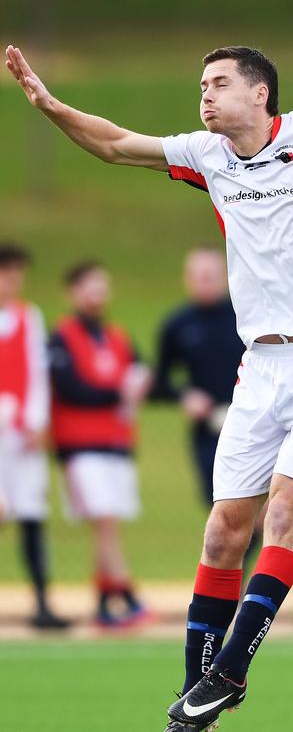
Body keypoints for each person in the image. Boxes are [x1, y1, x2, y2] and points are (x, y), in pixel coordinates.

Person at [5, 42, 293, 730]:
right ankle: (197, 694)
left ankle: (231, 671)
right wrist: (51, 105)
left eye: (218, 82)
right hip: (259, 370)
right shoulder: (206, 154)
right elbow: (116, 146)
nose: (205, 94)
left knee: (284, 515)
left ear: (260, 94)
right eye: (201, 84)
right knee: (223, 531)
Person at [49, 261, 152, 627]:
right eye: (88, 287)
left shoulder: (117, 336)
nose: (96, 294)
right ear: (73, 292)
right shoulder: (62, 337)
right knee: (104, 520)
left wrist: (139, 385)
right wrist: (117, 392)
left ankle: (105, 603)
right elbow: (71, 389)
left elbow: (140, 374)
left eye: (101, 286)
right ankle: (128, 595)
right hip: (80, 445)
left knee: (108, 524)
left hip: (117, 442)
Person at [0, 243, 69, 629]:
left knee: (30, 513)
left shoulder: (29, 317)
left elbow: (36, 374)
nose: (13, 281)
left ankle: (42, 601)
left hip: (20, 432)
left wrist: (37, 421)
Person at [151, 247, 245, 508]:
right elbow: (160, 381)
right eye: (199, 275)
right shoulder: (177, 325)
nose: (205, 281)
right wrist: (184, 396)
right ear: (187, 279)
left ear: (225, 276)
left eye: (211, 274)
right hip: (208, 429)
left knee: (259, 505)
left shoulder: (246, 318)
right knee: (220, 505)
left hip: (252, 423)